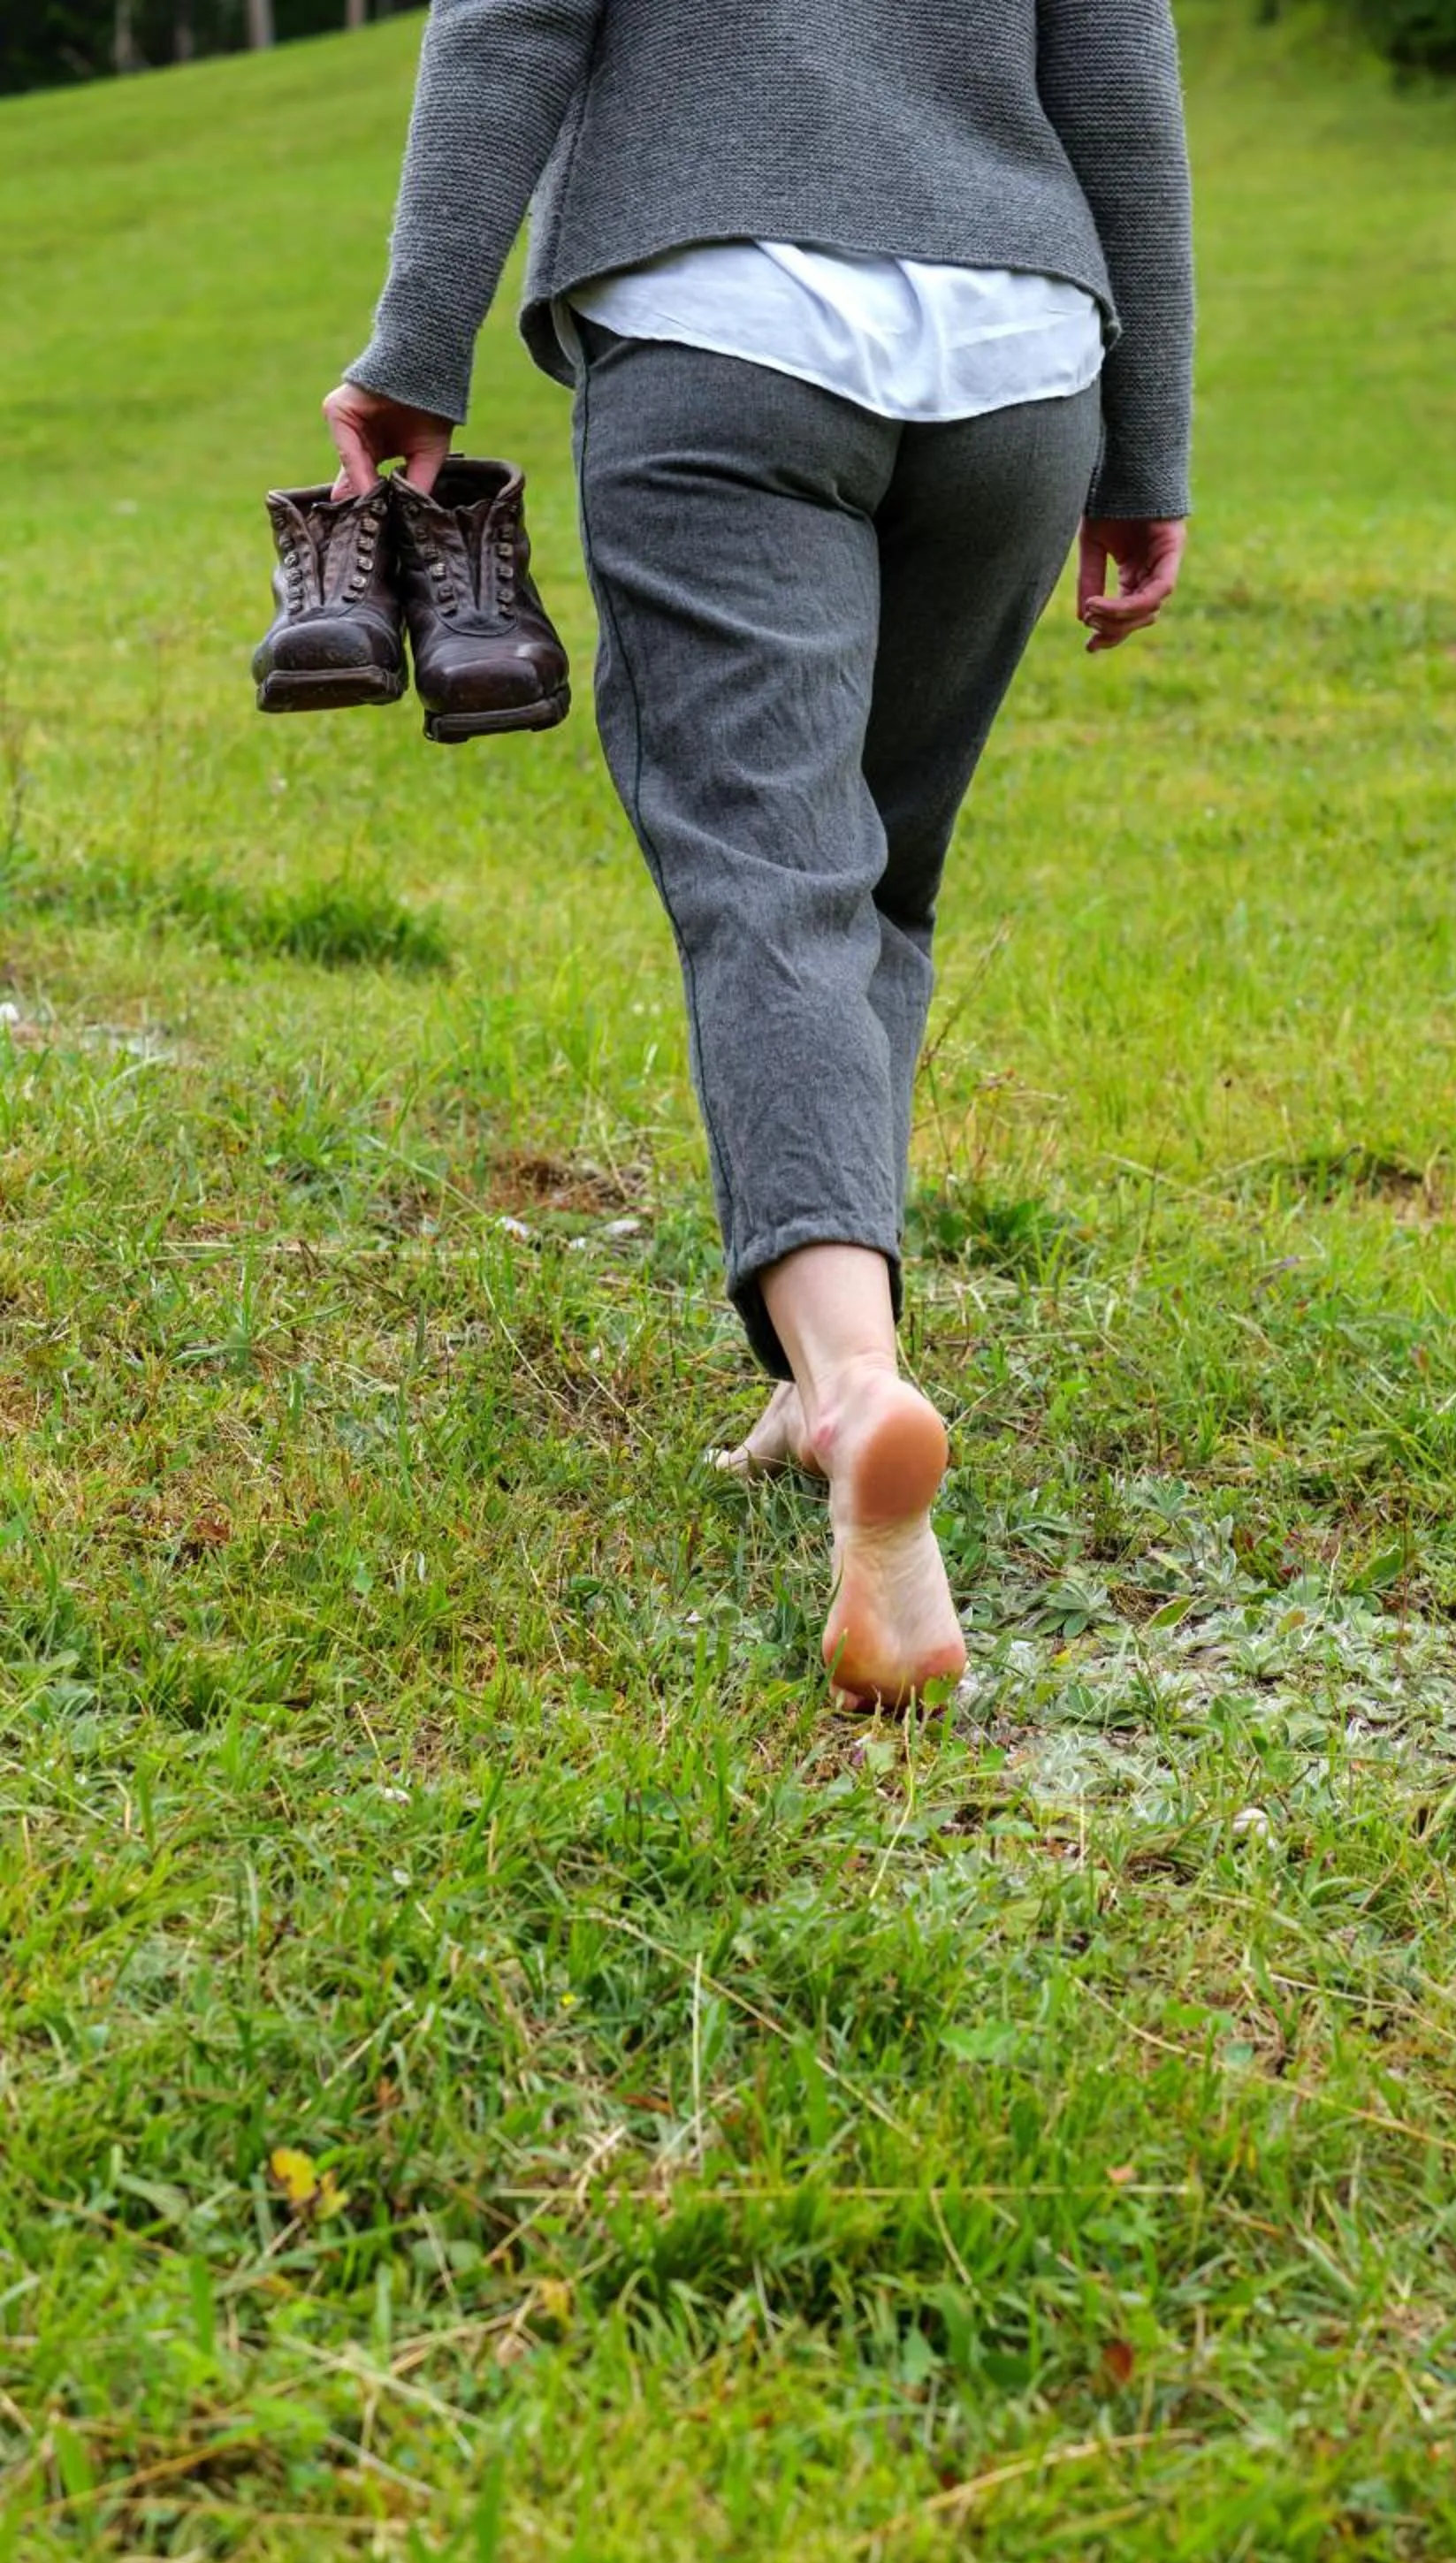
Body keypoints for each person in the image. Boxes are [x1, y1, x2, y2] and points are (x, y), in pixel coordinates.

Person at [325, 0, 1194, 1712]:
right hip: (1022, 363)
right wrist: (1144, 446)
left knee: (774, 876)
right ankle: (815, 1383)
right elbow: (1120, 83)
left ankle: (857, 1389)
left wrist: (419, 342)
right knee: (877, 877)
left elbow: (508, 21)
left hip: (718, 325)